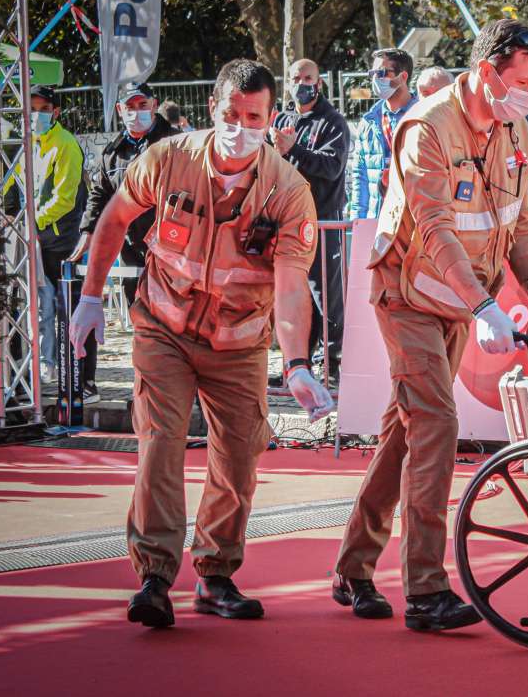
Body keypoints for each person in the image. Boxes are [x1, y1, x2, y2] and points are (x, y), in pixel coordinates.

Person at [68, 59, 335, 629]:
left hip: (238, 342)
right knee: (161, 440)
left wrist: (296, 364)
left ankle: (215, 574)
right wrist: (91, 297)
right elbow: (114, 218)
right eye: (231, 115)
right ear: (214, 110)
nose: (241, 128)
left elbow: (291, 288)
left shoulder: (289, 192)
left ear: (271, 119)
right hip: (163, 325)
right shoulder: (169, 159)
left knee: (240, 453)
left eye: (254, 117)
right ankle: (154, 577)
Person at [332, 20, 528, 630]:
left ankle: (353, 568)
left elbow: (521, 221)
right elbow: (433, 228)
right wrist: (483, 306)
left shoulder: (515, 129)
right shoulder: (426, 125)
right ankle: (425, 590)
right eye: (523, 82)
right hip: (408, 293)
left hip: (460, 300)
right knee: (435, 423)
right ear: (486, 72)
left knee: (406, 434)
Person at [1, 85, 96, 401]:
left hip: (60, 240)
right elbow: (13, 184)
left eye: (44, 109)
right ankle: (38, 372)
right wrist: (10, 214)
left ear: (56, 112)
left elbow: (65, 199)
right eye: (32, 109)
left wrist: (31, 221)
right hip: (31, 239)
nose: (37, 115)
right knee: (32, 308)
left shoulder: (66, 144)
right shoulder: (25, 143)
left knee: (69, 308)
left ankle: (83, 381)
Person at [271, 59, 351, 376]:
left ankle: (331, 362)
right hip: (287, 221)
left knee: (325, 295)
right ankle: (297, 362)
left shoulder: (333, 123)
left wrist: (293, 150)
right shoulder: (282, 120)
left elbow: (331, 168)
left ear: (319, 83)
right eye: (295, 77)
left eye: (308, 78)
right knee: (292, 294)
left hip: (321, 220)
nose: (301, 83)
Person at [72, 82, 182, 307]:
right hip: (132, 247)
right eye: (130, 107)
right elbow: (100, 194)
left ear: (154, 105)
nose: (136, 112)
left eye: (142, 105)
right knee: (138, 313)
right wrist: (88, 230)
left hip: (173, 246)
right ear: (120, 110)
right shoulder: (113, 152)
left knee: (174, 316)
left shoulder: (177, 143)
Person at [350, 48, 416, 220]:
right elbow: (360, 174)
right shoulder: (369, 121)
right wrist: (357, 219)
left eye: (382, 73)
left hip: (412, 220)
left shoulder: (422, 116)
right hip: (376, 219)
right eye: (373, 73)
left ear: (402, 77)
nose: (375, 79)